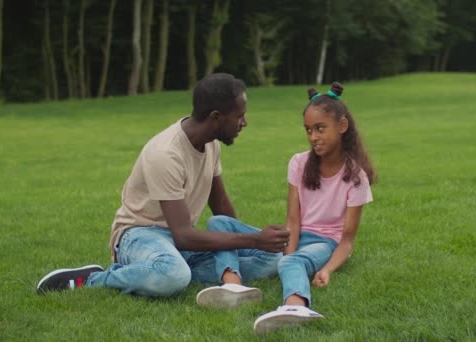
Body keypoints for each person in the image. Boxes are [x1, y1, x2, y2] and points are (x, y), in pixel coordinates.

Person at [37, 73, 290, 309]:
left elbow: (220, 204)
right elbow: (182, 235)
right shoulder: (166, 154)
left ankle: (166, 272)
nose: (244, 122)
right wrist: (254, 240)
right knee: (174, 275)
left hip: (181, 245)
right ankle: (95, 278)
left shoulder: (211, 144)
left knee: (274, 258)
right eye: (240, 116)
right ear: (216, 118)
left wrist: (247, 248)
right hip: (140, 235)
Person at [253, 82, 376, 334]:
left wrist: (327, 268)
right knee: (220, 224)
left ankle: (296, 307)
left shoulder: (356, 177)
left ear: (342, 126)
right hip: (298, 236)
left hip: (327, 242)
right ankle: (231, 283)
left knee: (288, 264)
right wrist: (288, 252)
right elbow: (293, 220)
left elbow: (347, 241)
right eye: (308, 130)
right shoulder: (298, 163)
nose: (313, 137)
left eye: (320, 128)